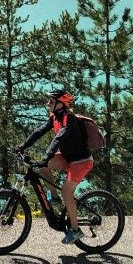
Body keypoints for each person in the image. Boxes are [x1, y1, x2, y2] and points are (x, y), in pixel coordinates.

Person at [16, 88, 93, 245]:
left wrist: (46, 156)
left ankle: (76, 230)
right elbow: (39, 132)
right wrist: (22, 146)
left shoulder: (69, 119)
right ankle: (55, 199)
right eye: (48, 101)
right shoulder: (55, 117)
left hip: (81, 161)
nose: (47, 103)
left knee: (67, 191)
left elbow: (58, 139)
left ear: (60, 104)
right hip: (67, 157)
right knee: (44, 167)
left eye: (50, 101)